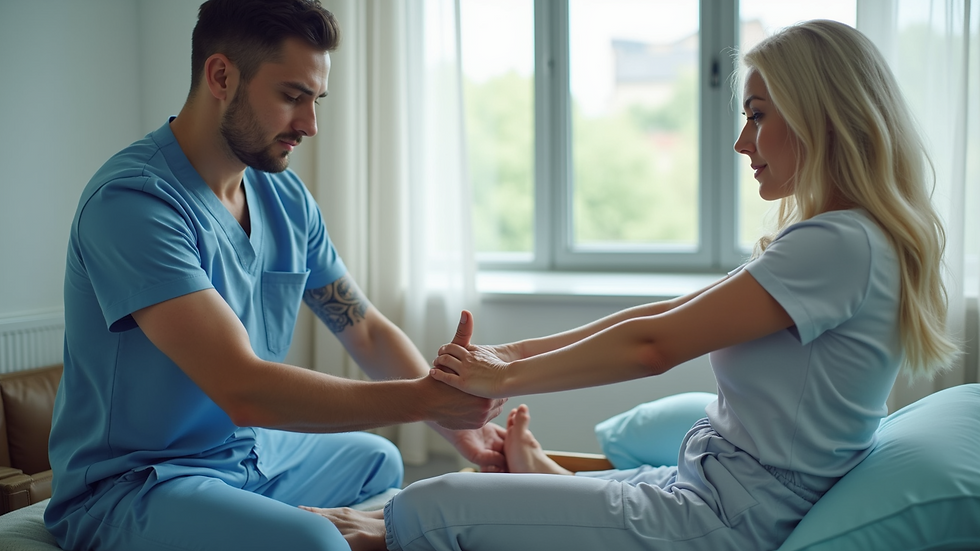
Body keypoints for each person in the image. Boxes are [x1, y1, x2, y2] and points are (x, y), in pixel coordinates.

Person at [304, 19, 958, 551]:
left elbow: (652, 346)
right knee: (411, 506)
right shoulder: (840, 240)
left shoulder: (839, 244)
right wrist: (510, 355)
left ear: (822, 117)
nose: (740, 141)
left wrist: (501, 380)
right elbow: (670, 313)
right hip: (709, 489)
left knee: (429, 506)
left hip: (723, 516)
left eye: (757, 115)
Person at [44, 1, 507, 550]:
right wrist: (423, 399)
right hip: (136, 482)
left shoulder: (284, 196)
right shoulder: (133, 203)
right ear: (221, 76)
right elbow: (242, 388)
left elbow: (364, 329)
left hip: (247, 454)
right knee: (315, 541)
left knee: (377, 461)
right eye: (292, 96)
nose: (310, 125)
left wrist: (460, 428)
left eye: (316, 100)